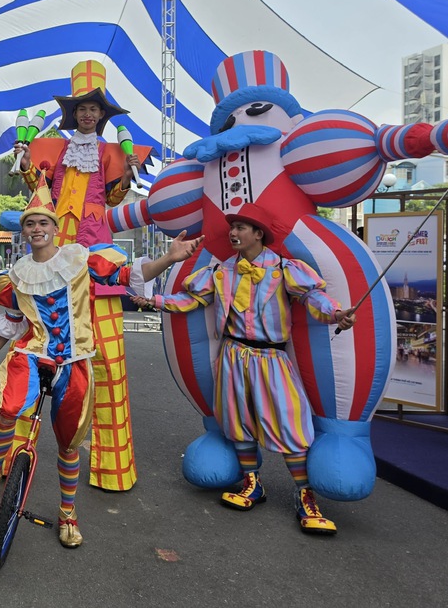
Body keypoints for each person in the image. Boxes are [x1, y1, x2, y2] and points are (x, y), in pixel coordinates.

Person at [0, 175, 201, 547]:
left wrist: (170, 257)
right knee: (8, 409)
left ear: (55, 229)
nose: (37, 228)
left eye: (44, 222)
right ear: (23, 232)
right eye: (30, 223)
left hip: (74, 360)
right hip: (32, 353)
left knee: (69, 443)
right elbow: (14, 320)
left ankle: (68, 514)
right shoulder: (17, 275)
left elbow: (127, 277)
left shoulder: (79, 260)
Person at [131, 203, 356, 535]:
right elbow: (191, 300)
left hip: (272, 358)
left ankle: (305, 496)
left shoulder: (284, 269)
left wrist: (336, 314)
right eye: (232, 227)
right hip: (233, 355)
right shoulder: (221, 272)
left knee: (288, 422)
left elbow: (314, 298)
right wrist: (156, 302)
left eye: (240, 228)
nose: (233, 233)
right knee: (238, 421)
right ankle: (252, 484)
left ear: (258, 234)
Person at [14, 59, 143, 492]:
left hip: (97, 262)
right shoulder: (51, 149)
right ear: (72, 114)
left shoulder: (113, 153)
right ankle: (12, 465)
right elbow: (36, 192)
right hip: (52, 266)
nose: (88, 114)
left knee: (107, 363)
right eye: (82, 108)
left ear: (103, 115)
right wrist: (25, 159)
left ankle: (112, 468)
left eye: (95, 109)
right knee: (33, 356)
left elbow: (115, 195)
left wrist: (126, 174)